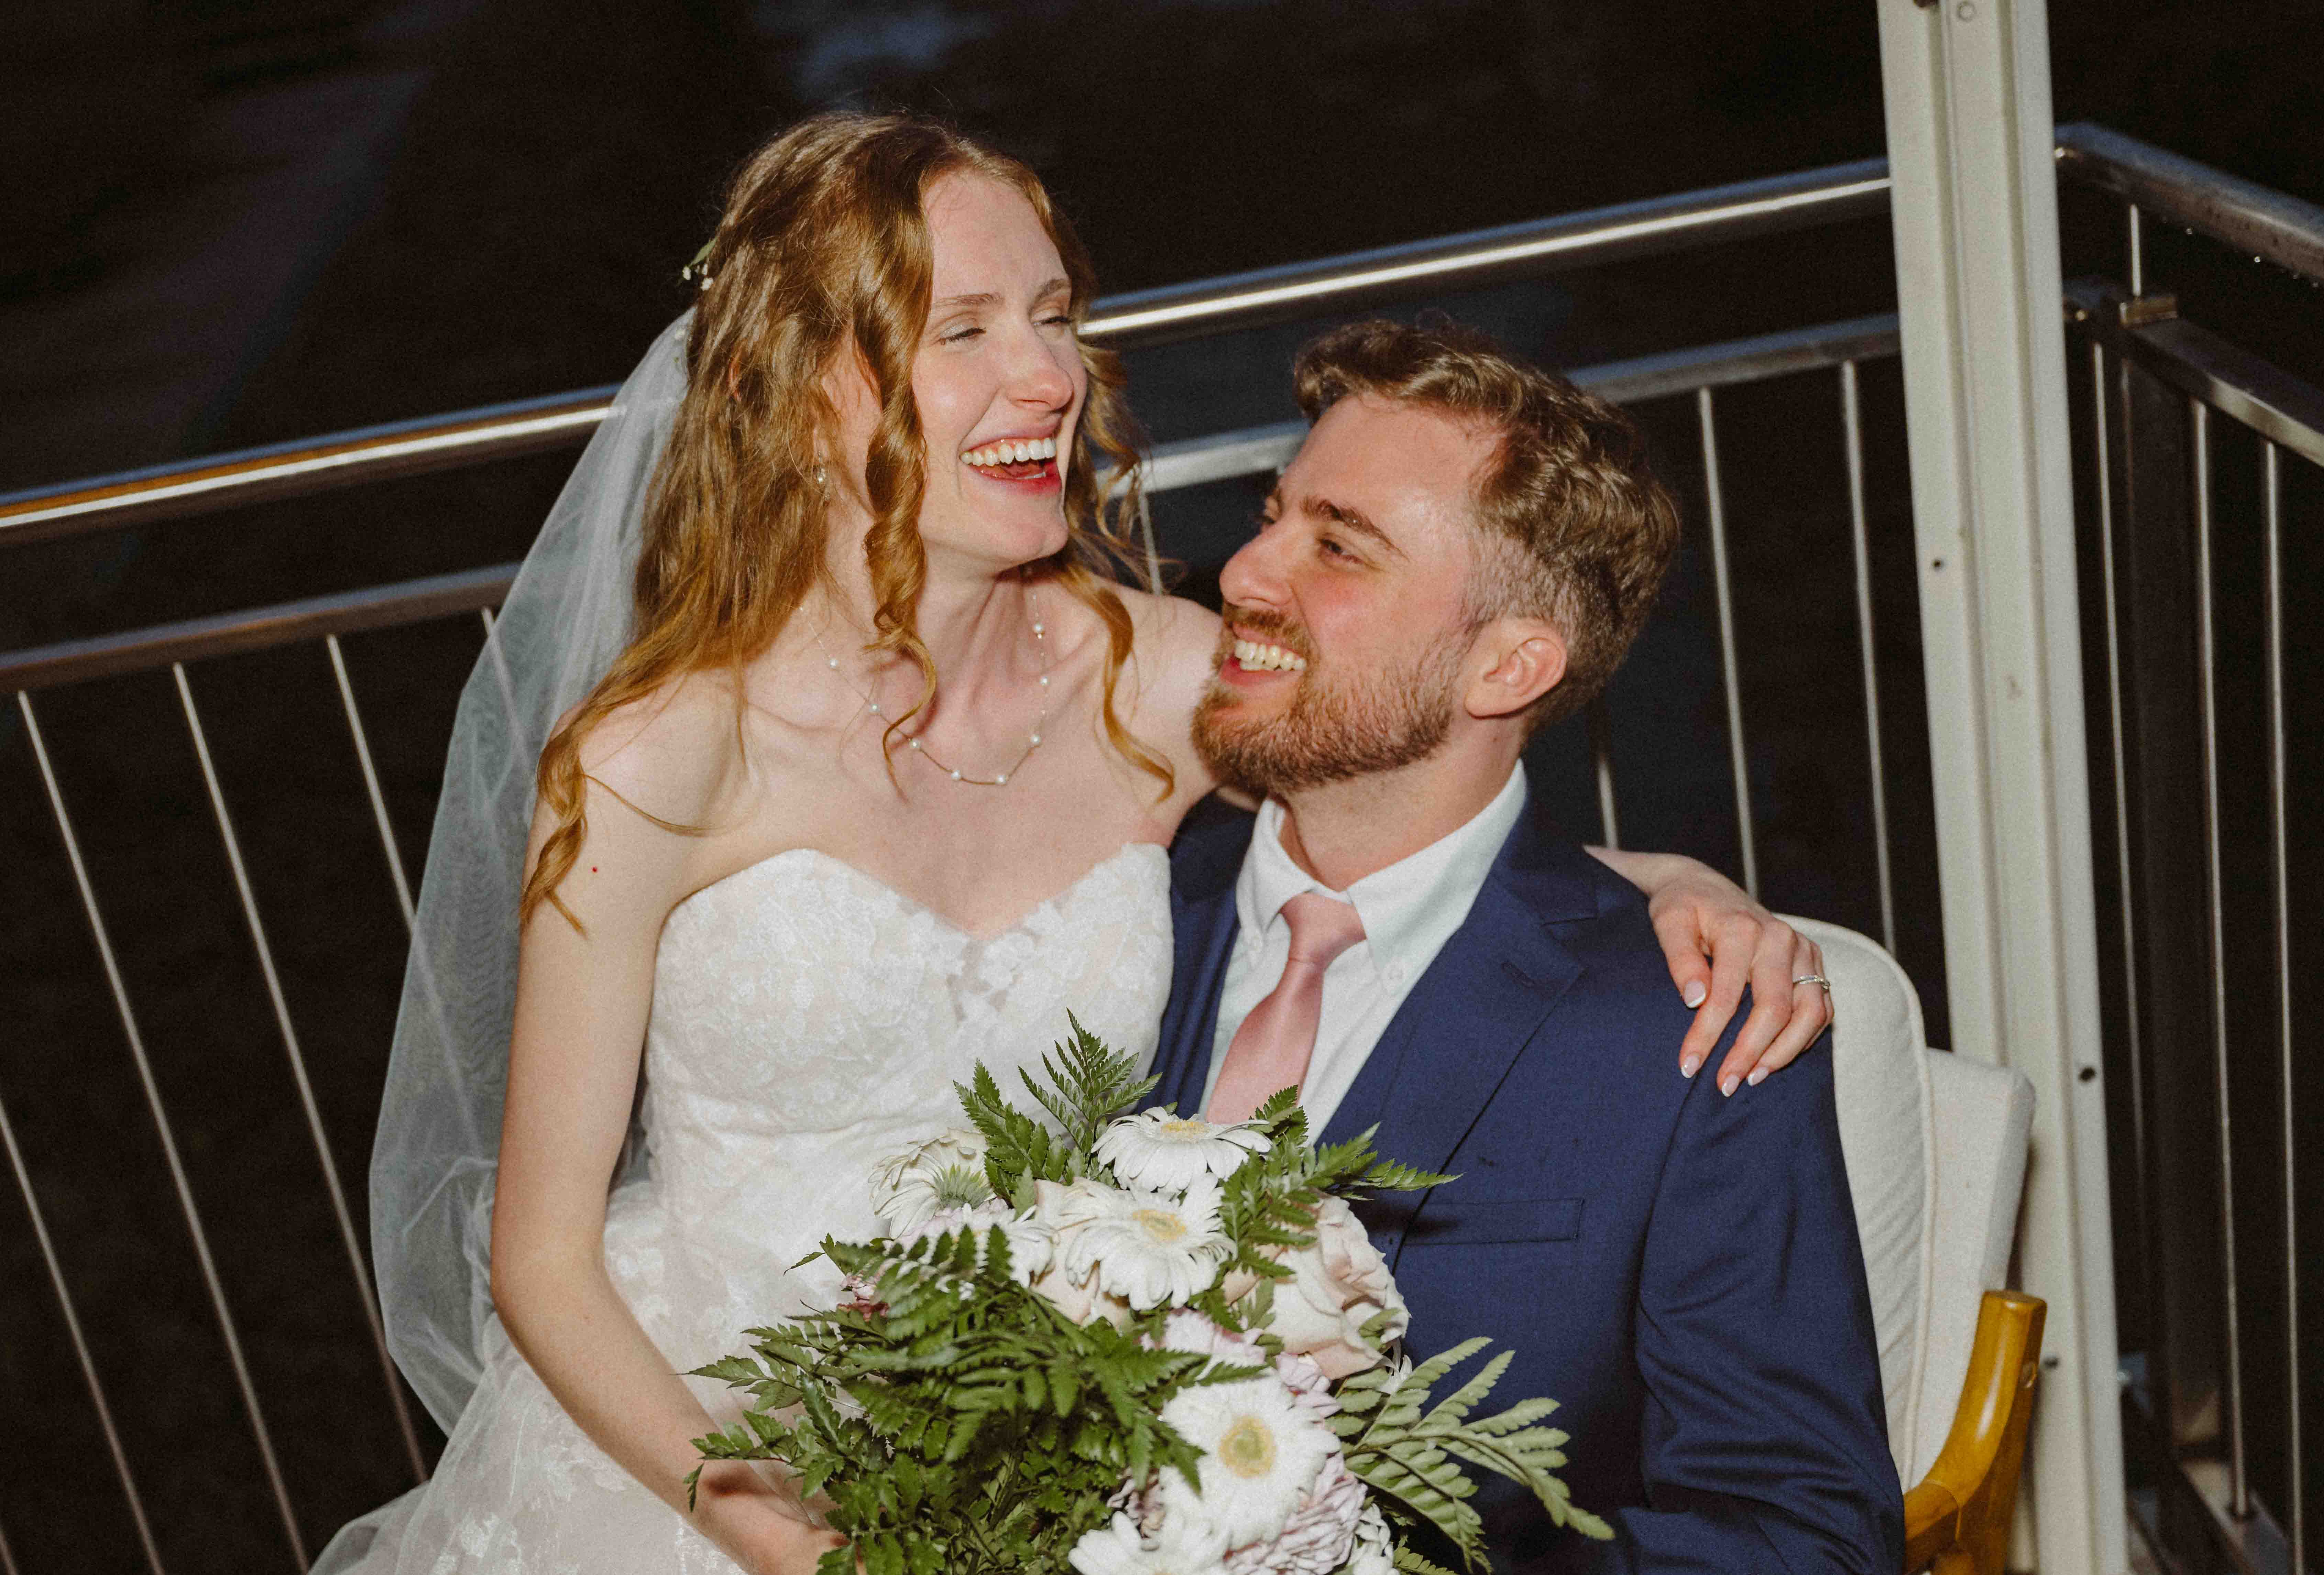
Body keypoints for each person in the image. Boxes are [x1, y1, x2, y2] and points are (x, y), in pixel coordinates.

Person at [327, 114, 1831, 1575]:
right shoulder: (658, 760)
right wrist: (766, 1525)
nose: (1049, 373)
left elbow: (1404, 815)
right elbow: (537, 1253)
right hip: (702, 1442)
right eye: (964, 329)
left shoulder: (1161, 679)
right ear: (804, 396)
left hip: (1053, 1441)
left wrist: (1674, 886)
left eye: (1053, 316)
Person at [1148, 317, 1899, 1572]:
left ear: (1506, 666)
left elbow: (1801, 1533)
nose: (1242, 571)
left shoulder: (1686, 1028)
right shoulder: (1109, 914)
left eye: (1337, 545)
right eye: (1274, 512)